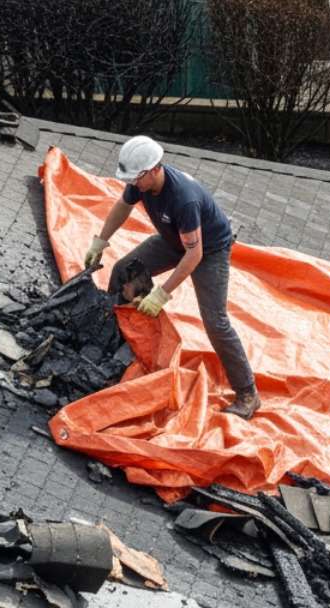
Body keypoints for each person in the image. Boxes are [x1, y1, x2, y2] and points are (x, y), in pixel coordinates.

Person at [84, 135, 260, 419]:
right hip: (173, 240)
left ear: (155, 169)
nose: (133, 184)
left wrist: (161, 293)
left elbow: (194, 254)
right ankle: (118, 339)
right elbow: (123, 206)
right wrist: (100, 241)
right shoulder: (140, 181)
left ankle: (248, 394)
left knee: (215, 320)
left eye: (136, 178)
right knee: (122, 271)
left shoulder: (183, 199)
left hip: (209, 250)